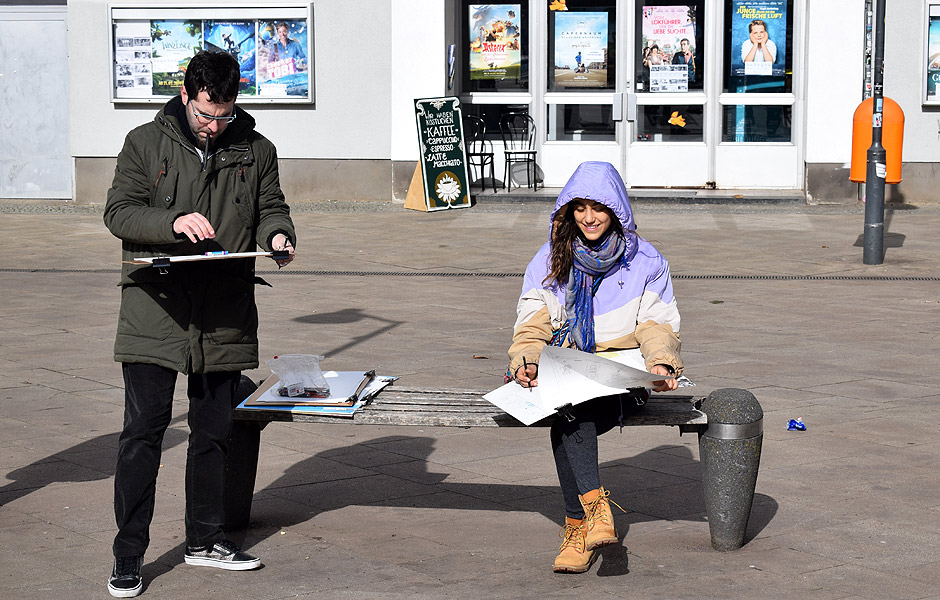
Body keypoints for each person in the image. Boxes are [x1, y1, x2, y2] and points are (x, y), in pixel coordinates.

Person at [103, 50, 296, 598]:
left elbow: (271, 207)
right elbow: (119, 212)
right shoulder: (144, 143)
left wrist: (278, 235)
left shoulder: (257, 150)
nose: (214, 126)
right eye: (206, 114)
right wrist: (172, 222)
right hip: (155, 308)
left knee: (213, 432)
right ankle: (128, 555)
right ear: (185, 95)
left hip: (224, 311)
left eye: (225, 115)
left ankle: (205, 540)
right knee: (142, 435)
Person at [507, 161, 681, 574]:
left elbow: (656, 324)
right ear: (568, 211)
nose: (589, 217)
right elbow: (532, 322)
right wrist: (526, 361)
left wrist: (660, 362)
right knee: (571, 408)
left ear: (616, 210)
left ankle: (580, 523)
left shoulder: (645, 260)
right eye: (580, 208)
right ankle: (592, 514)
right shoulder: (550, 258)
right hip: (568, 370)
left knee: (570, 415)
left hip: (624, 380)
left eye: (599, 208)